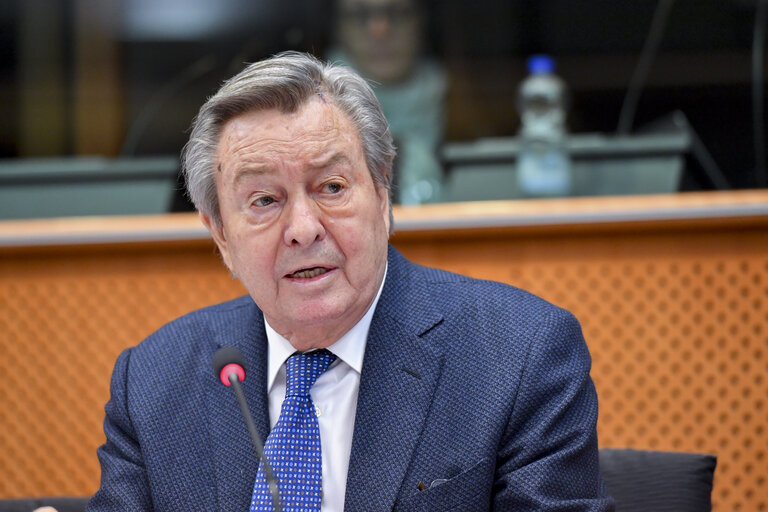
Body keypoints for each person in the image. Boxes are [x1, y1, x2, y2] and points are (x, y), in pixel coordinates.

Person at [80, 52, 612, 511]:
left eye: (331, 187)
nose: (304, 229)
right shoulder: (151, 383)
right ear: (219, 232)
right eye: (264, 201)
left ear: (382, 196)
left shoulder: (519, 356)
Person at [329, 0, 446, 205]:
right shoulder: (306, 111)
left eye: (398, 13)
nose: (379, 29)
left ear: (422, 19)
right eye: (359, 15)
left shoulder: (475, 104)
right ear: (337, 26)